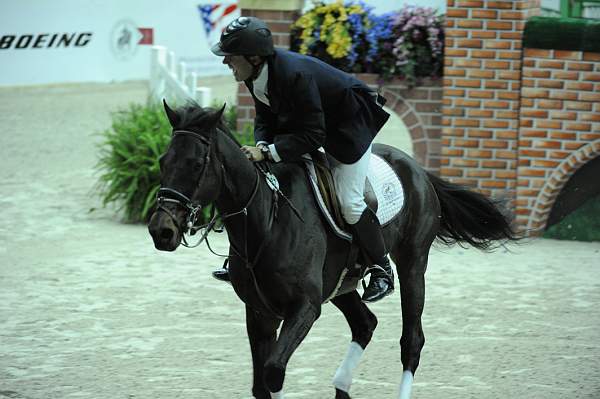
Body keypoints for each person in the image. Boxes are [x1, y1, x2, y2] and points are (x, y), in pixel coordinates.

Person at [210, 16, 394, 303]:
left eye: (230, 57)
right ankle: (245, 258)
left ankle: (381, 267)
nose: (225, 62)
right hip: (309, 127)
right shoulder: (254, 74)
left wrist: (269, 152)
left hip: (346, 130)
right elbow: (265, 116)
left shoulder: (294, 75)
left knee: (350, 202)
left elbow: (314, 134)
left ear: (254, 57)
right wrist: (262, 144)